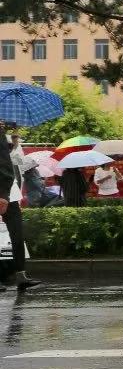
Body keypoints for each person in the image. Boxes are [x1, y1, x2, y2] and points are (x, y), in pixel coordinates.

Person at [0, 124, 43, 292]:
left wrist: (3, 194)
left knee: (17, 234)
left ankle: (20, 274)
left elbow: (5, 163)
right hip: (6, 192)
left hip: (6, 192)